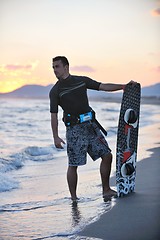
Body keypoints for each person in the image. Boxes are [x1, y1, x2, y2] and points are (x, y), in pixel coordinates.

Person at [49, 56, 135, 201]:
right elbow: (53, 116)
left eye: (57, 66)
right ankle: (74, 198)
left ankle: (106, 190)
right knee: (73, 164)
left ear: (66, 67)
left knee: (107, 155)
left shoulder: (81, 80)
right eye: (53, 67)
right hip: (74, 130)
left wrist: (122, 86)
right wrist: (55, 137)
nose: (54, 70)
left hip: (91, 126)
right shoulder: (55, 91)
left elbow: (103, 86)